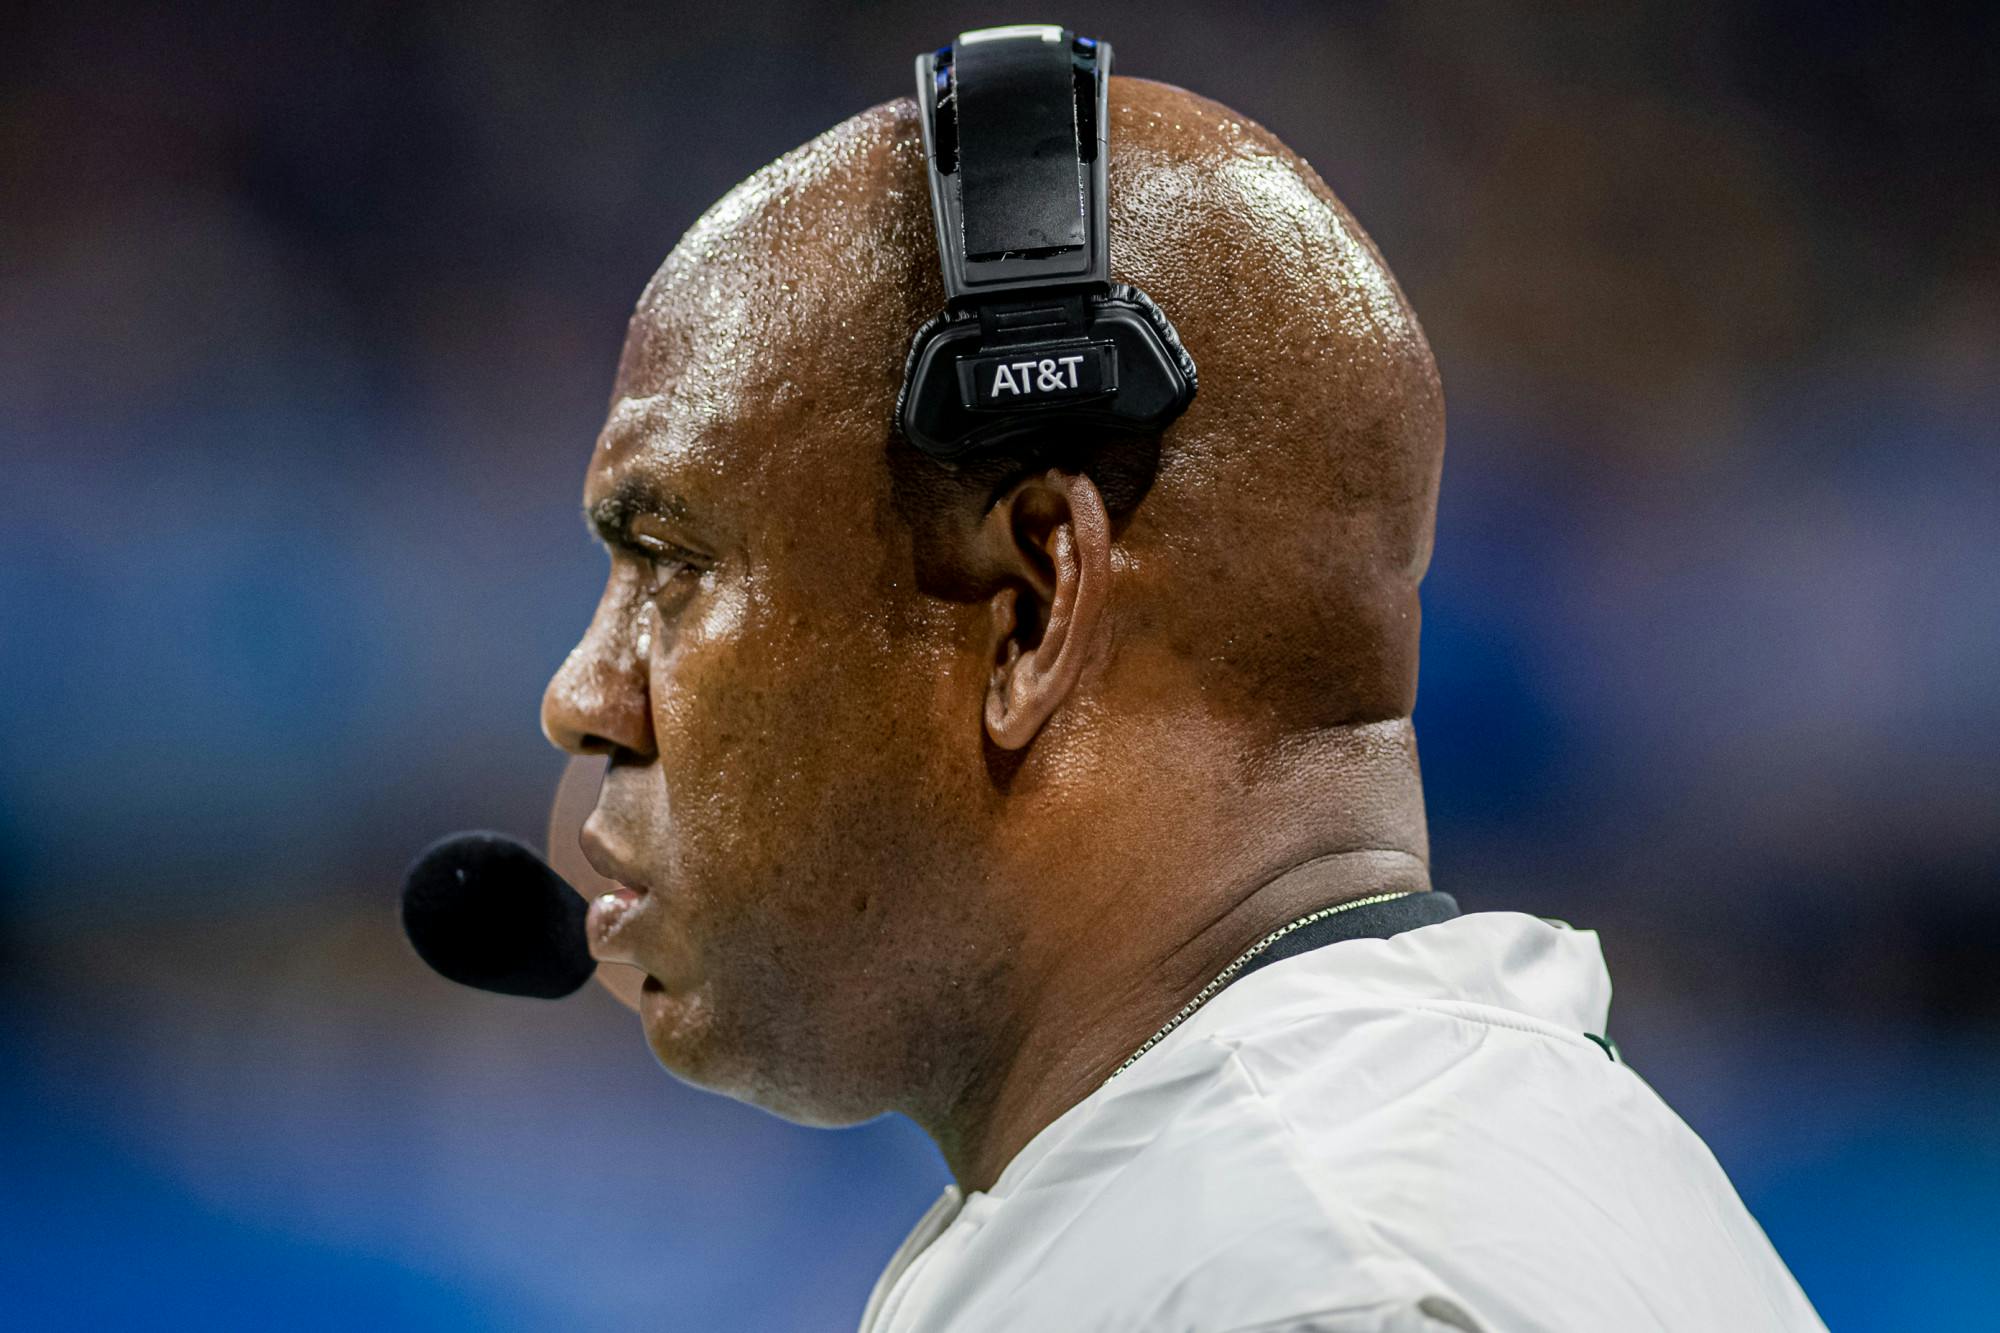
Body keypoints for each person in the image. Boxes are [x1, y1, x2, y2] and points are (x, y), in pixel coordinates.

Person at [538, 73, 1825, 1332]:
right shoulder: (1354, 1180)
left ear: (1034, 609)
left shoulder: (1300, 1281)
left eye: (673, 565)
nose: (581, 695)